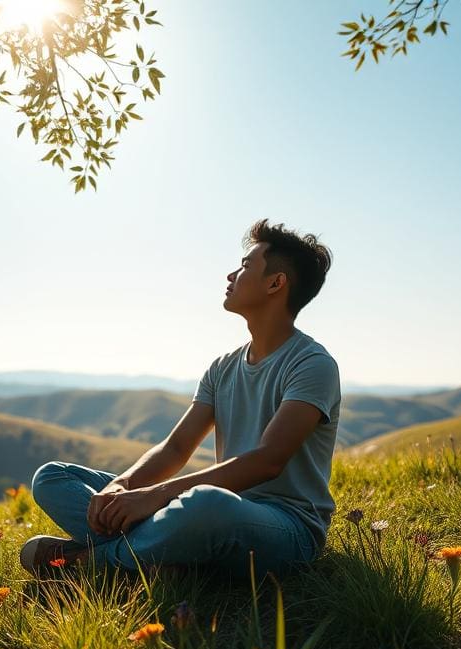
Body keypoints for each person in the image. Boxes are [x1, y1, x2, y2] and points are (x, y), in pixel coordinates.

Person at [21, 219, 341, 579]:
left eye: (246, 265)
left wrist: (155, 496)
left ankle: (91, 563)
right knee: (52, 477)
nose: (231, 275)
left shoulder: (312, 364)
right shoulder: (223, 367)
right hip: (214, 513)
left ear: (275, 283)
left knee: (205, 503)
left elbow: (268, 460)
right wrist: (123, 487)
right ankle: (164, 559)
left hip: (287, 530)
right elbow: (175, 449)